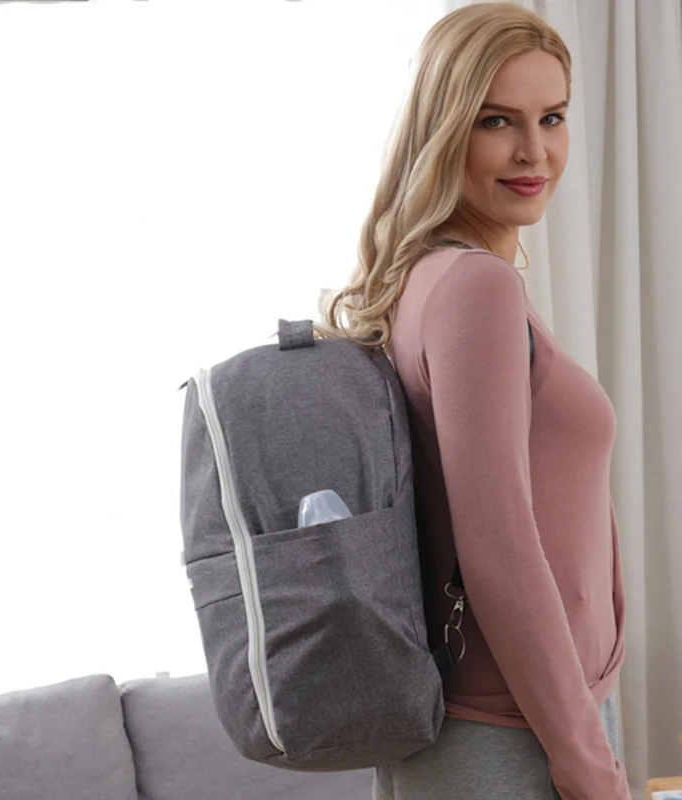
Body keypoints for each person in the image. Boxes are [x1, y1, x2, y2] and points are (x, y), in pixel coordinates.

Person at [312, 3, 629, 799]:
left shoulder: (430, 277)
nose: (535, 152)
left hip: (526, 720)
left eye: (551, 117)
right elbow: (499, 550)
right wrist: (588, 764)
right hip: (518, 735)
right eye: (496, 120)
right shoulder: (474, 287)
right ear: (445, 128)